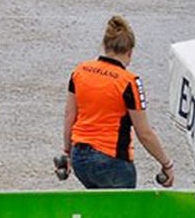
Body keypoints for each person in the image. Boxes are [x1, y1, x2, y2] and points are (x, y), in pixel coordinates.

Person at [63, 15, 174, 190]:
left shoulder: (80, 71)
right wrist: (166, 164)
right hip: (112, 160)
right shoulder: (129, 82)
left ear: (104, 46)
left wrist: (67, 153)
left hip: (80, 158)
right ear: (130, 51)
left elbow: (70, 116)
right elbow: (144, 133)